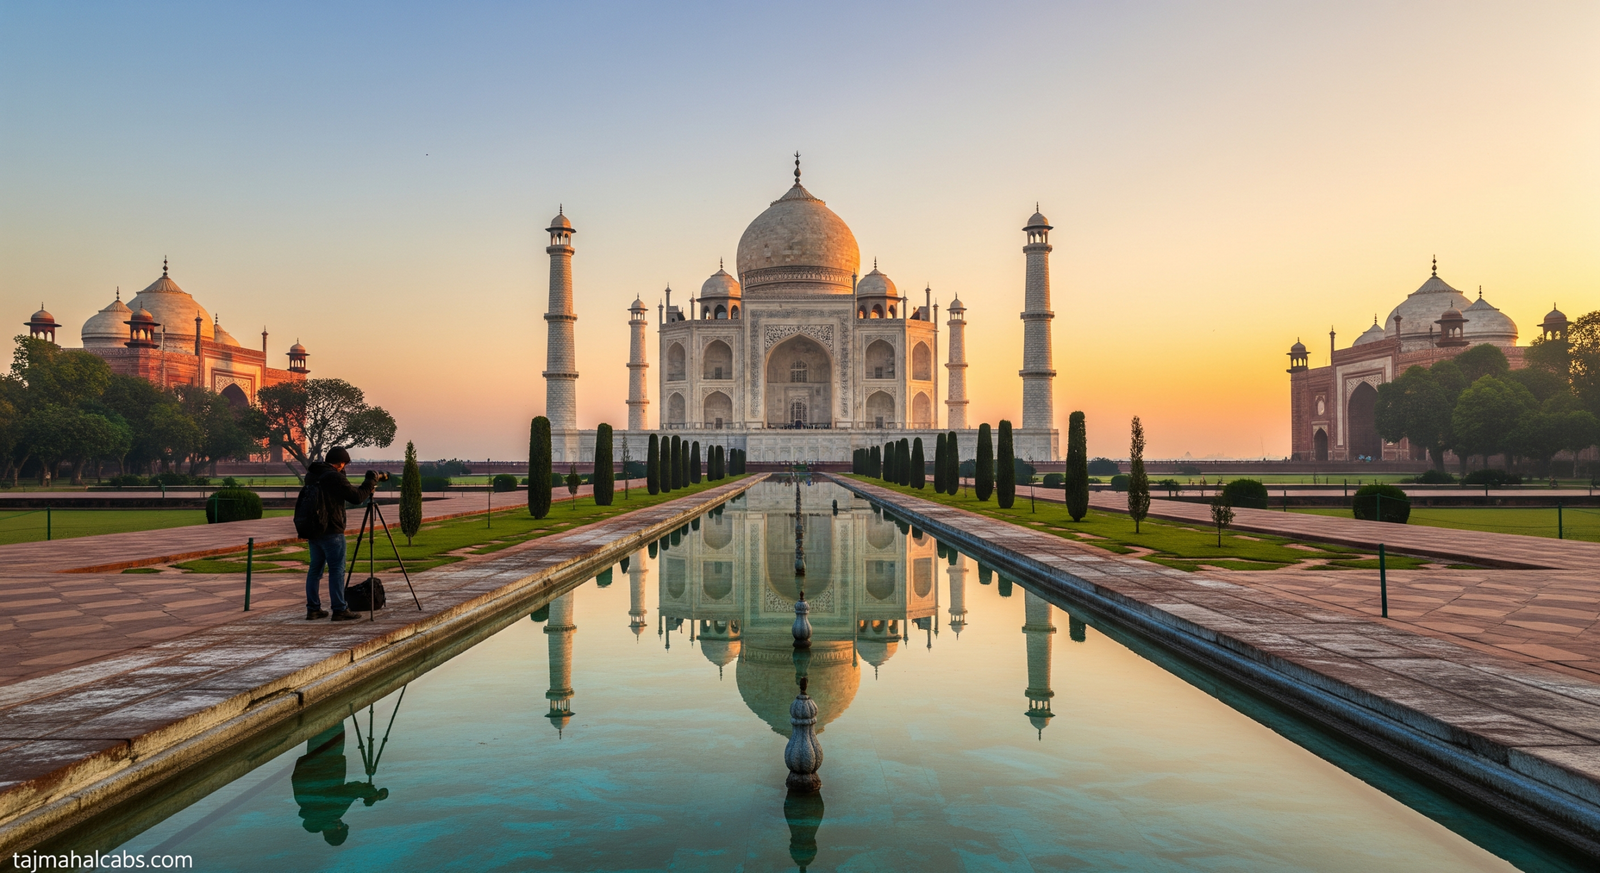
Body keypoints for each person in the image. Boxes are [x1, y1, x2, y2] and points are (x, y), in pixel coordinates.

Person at [295, 446, 378, 621]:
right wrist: (369, 482)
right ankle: (339, 609)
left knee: (315, 570)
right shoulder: (333, 476)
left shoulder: (313, 474)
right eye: (344, 464)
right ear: (341, 463)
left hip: (314, 529)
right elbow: (356, 497)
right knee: (336, 570)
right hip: (331, 529)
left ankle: (313, 609)